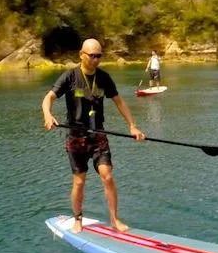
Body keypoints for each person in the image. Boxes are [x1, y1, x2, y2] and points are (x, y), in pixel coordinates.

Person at [42, 39, 145, 232]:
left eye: (99, 56)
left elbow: (119, 102)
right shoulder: (70, 77)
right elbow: (48, 97)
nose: (96, 60)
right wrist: (48, 114)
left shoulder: (104, 78)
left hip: (98, 135)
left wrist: (133, 126)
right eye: (92, 56)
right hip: (76, 137)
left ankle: (114, 219)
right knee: (79, 181)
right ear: (81, 54)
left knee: (107, 176)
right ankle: (78, 219)